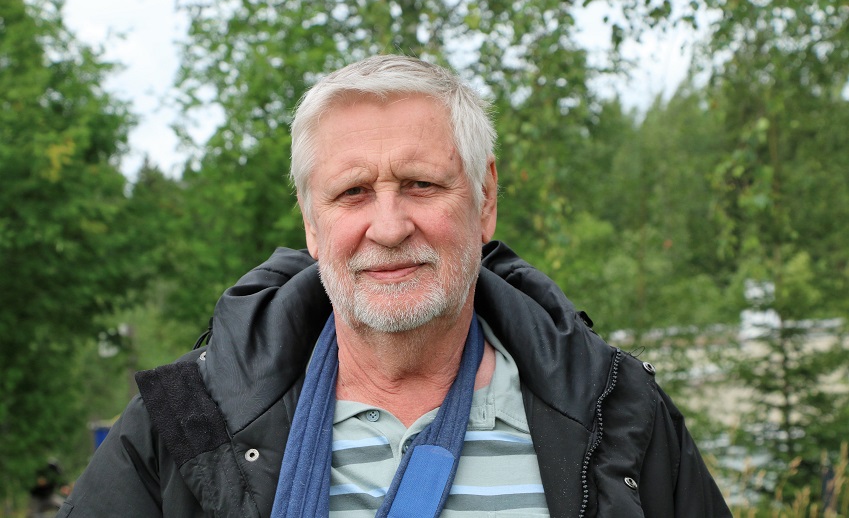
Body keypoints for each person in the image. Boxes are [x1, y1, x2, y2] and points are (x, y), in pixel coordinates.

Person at [59, 55, 731, 517]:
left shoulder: (618, 411)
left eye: (421, 184)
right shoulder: (186, 422)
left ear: (485, 200)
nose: (387, 226)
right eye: (353, 192)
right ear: (312, 223)